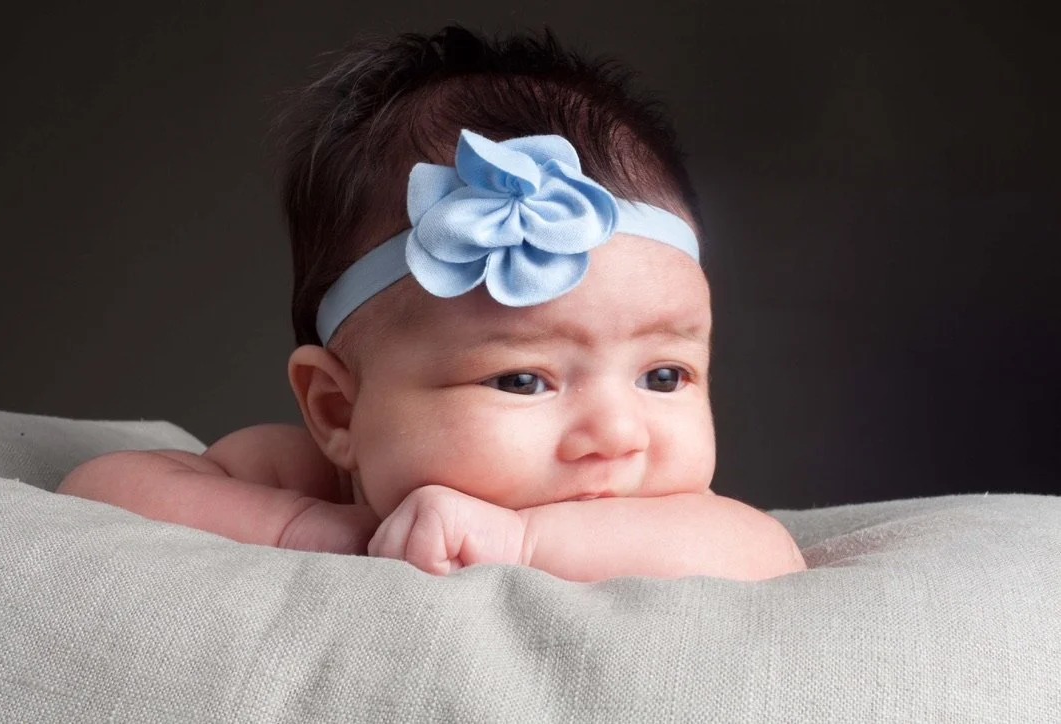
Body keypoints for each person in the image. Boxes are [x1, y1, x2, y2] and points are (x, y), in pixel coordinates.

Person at [58, 24, 807, 582]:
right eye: (522, 380)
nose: (616, 435)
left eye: (664, 376)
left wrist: (518, 545)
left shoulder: (663, 513)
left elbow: (765, 555)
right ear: (338, 413)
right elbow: (101, 491)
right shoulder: (305, 481)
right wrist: (314, 531)